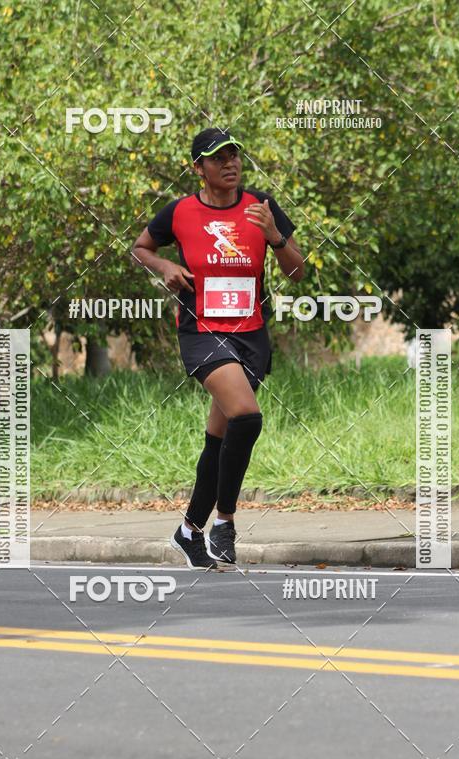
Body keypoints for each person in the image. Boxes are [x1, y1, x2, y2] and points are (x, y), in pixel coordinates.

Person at [131, 127, 304, 568]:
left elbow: (298, 272)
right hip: (202, 332)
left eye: (235, 155)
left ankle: (189, 531)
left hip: (251, 335)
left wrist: (276, 236)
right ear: (198, 168)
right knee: (246, 416)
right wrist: (164, 264)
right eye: (218, 157)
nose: (230, 164)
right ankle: (224, 524)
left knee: (219, 439)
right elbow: (140, 248)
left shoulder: (260, 207)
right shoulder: (180, 212)